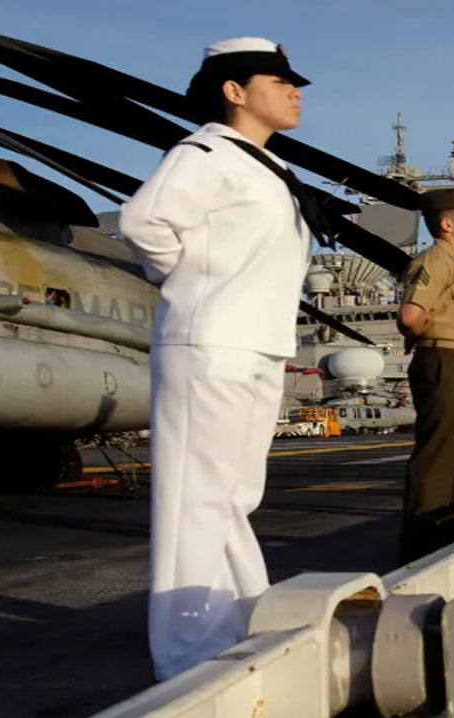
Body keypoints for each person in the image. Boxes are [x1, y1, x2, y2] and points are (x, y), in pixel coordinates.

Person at [120, 37, 315, 680]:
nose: (296, 91)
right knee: (196, 500)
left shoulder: (265, 167)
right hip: (211, 339)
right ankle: (183, 654)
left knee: (234, 495)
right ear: (234, 91)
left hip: (256, 343)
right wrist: (195, 282)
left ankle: (234, 623)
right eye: (279, 80)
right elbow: (144, 221)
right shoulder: (204, 152)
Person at [396, 185, 454, 564]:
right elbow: (411, 315)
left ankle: (450, 525)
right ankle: (420, 539)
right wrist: (430, 338)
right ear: (447, 224)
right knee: (439, 450)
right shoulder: (434, 261)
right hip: (444, 359)